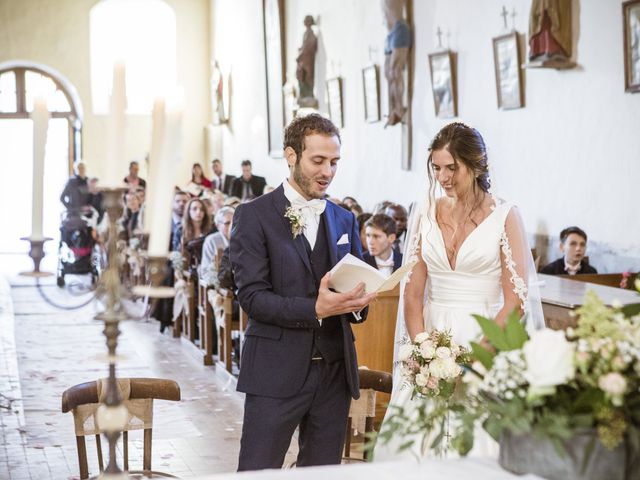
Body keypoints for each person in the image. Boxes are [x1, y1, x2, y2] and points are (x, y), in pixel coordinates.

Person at [373, 122, 544, 461]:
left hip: (486, 336)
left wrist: (474, 360)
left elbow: (516, 300)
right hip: (431, 337)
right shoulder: (425, 212)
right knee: (415, 441)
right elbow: (412, 292)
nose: (444, 177)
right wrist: (424, 350)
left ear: (476, 165)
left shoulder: (505, 216)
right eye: (437, 168)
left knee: (478, 439)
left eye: (453, 168)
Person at [231, 113, 376, 471]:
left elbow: (354, 285)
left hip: (334, 372)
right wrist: (316, 308)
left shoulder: (344, 220)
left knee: (322, 473)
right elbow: (252, 298)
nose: (327, 171)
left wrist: (358, 303)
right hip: (274, 371)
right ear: (291, 156)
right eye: (318, 161)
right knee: (257, 471)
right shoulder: (254, 216)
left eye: (334, 162)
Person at [383, 0, 412, 126]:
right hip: (389, 33)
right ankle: (392, 110)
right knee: (387, 73)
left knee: (395, 72)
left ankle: (399, 110)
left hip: (399, 28)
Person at [200, 206, 235, 277]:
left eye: (234, 222)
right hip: (218, 281)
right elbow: (205, 270)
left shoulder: (241, 238)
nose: (232, 226)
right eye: (227, 223)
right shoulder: (211, 240)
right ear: (218, 225)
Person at [295, 15, 318, 106]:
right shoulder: (305, 33)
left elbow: (308, 47)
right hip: (304, 58)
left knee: (307, 76)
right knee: (300, 75)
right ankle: (304, 94)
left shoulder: (311, 34)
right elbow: (304, 46)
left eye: (306, 21)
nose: (304, 22)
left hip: (307, 60)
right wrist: (300, 50)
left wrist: (300, 55)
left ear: (309, 22)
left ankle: (308, 94)